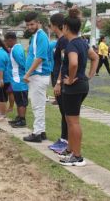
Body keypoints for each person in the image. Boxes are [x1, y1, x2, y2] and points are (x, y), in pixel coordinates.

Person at [59, 8, 99, 166]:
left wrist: (70, 80)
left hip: (74, 87)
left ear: (65, 28)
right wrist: (89, 75)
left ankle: (77, 156)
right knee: (70, 120)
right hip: (82, 85)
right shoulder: (83, 42)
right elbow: (95, 57)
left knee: (73, 121)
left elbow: (74, 63)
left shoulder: (71, 46)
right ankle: (70, 150)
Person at [23, 12, 51, 143]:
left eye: (32, 24)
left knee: (37, 106)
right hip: (36, 76)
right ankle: (41, 131)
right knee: (38, 105)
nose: (30, 26)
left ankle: (37, 133)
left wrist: (28, 73)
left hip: (38, 76)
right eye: (28, 25)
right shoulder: (35, 36)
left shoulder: (41, 36)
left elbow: (40, 57)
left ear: (39, 23)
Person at [47, 13, 69, 153]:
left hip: (61, 81)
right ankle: (63, 139)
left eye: (50, 24)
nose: (50, 27)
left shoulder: (63, 41)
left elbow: (64, 63)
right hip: (56, 78)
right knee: (63, 111)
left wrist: (59, 82)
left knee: (66, 113)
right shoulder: (60, 41)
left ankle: (65, 141)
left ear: (55, 25)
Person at [4, 32, 28, 128]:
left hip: (19, 80)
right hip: (15, 80)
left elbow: (22, 63)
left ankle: (22, 120)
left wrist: (24, 74)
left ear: (11, 40)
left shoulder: (16, 49)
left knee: (21, 101)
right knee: (18, 100)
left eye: (6, 41)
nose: (5, 43)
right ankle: (19, 117)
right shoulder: (14, 48)